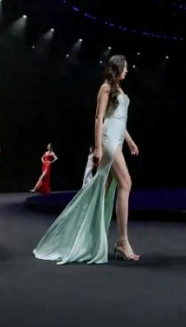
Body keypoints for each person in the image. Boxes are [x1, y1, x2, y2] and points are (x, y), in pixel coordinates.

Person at [34, 55, 142, 263]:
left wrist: (130, 141)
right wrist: (98, 147)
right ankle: (122, 241)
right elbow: (99, 118)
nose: (127, 70)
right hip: (108, 140)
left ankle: (88, 237)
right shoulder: (105, 88)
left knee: (104, 190)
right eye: (125, 67)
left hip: (118, 139)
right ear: (117, 68)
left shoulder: (118, 90)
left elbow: (119, 119)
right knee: (125, 184)